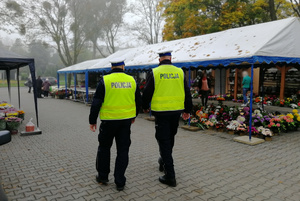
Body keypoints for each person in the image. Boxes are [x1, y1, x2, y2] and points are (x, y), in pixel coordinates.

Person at [89, 58, 142, 191]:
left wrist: (92, 120)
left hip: (108, 122)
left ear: (112, 67)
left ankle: (103, 177)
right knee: (123, 150)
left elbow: (96, 102)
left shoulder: (105, 80)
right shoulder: (132, 80)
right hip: (125, 122)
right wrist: (134, 116)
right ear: (123, 66)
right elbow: (138, 101)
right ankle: (120, 181)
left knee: (104, 148)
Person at [142, 50, 193, 187]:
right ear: (171, 58)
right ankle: (163, 160)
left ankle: (170, 175)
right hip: (176, 112)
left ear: (160, 60)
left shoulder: (155, 72)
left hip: (161, 113)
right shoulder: (180, 72)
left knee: (163, 141)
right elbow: (187, 91)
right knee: (170, 138)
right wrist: (187, 110)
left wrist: (144, 106)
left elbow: (147, 91)